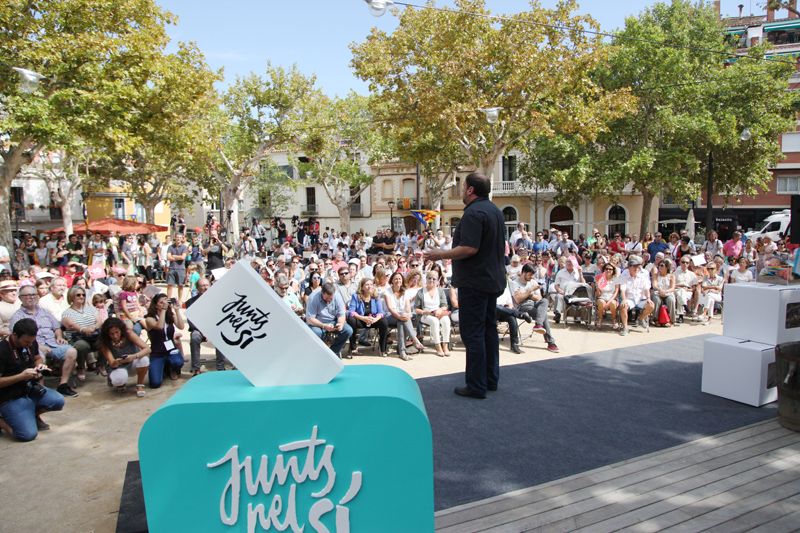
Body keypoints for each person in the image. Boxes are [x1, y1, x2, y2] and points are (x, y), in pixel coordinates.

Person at [425, 173, 505, 399]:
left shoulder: (473, 213)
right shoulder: (495, 212)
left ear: (470, 190)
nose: (461, 191)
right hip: (492, 280)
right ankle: (490, 379)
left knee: (474, 333)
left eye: (463, 187)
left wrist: (439, 254)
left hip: (476, 282)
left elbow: (469, 248)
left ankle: (476, 385)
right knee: (489, 330)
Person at [0, 319, 65, 441]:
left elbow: (37, 358)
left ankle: (32, 415)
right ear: (14, 335)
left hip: (29, 388)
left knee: (58, 401)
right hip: (9, 396)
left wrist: (39, 366)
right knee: (27, 435)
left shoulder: (31, 342)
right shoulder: (2, 350)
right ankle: (2, 422)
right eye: (26, 341)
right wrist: (20, 376)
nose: (29, 344)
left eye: (31, 341)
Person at [9, 286, 79, 397]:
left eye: (33, 294)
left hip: (53, 343)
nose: (31, 297)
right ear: (20, 298)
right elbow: (18, 339)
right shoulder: (17, 317)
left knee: (71, 351)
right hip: (33, 347)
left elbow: (56, 327)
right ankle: (41, 390)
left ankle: (63, 385)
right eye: (27, 295)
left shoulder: (45, 312)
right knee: (39, 358)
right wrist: (38, 346)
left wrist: (59, 336)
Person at [98, 317, 150, 397]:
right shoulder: (104, 342)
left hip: (133, 362)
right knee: (119, 380)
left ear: (121, 330)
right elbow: (112, 363)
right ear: (107, 334)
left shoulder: (128, 333)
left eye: (117, 332)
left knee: (144, 360)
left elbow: (147, 349)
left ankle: (140, 385)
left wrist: (134, 356)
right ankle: (118, 383)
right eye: (111, 334)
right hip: (118, 367)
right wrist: (118, 361)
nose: (115, 336)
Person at [185, 277, 228, 375]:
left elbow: (222, 317)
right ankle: (196, 368)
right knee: (195, 337)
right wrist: (203, 331)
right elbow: (191, 321)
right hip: (199, 329)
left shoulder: (219, 300)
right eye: (202, 286)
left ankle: (221, 366)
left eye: (207, 285)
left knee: (222, 335)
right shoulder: (190, 302)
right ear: (198, 288)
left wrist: (212, 330)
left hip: (216, 328)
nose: (205, 288)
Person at [60, 286, 102, 382]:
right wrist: (83, 329)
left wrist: (94, 327)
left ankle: (101, 365)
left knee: (104, 340)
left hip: (93, 335)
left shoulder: (90, 309)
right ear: (71, 297)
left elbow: (99, 321)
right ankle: (81, 368)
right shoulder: (67, 312)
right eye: (78, 295)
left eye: (83, 295)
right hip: (78, 338)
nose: (81, 296)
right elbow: (70, 325)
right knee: (81, 345)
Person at [144, 294, 185, 387]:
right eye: (161, 302)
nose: (164, 304)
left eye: (166, 301)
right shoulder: (149, 318)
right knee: (155, 383)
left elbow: (181, 326)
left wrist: (177, 310)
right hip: (157, 352)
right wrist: (163, 310)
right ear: (155, 305)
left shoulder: (170, 315)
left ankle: (172, 368)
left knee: (178, 362)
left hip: (171, 349)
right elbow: (160, 326)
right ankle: (164, 368)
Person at [383, 271, 425, 361]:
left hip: (401, 317)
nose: (398, 280)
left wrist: (408, 315)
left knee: (401, 322)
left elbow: (407, 307)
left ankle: (402, 352)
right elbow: (390, 308)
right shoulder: (387, 291)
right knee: (402, 318)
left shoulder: (404, 291)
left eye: (399, 278)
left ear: (402, 280)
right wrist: (400, 316)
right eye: (396, 279)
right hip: (389, 316)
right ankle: (414, 339)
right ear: (392, 281)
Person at [306, 283, 352, 359]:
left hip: (333, 321)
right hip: (317, 323)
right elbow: (310, 319)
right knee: (317, 333)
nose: (329, 300)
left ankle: (332, 353)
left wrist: (340, 323)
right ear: (322, 293)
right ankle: (318, 354)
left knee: (348, 330)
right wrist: (324, 326)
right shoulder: (313, 298)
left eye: (331, 298)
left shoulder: (337, 296)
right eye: (327, 298)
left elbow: (342, 313)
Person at [347, 278, 389, 357]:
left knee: (384, 321)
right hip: (360, 320)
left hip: (373, 320)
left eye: (371, 284)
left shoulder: (376, 297)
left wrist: (375, 319)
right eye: (367, 284)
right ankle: (352, 347)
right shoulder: (356, 296)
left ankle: (383, 348)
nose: (369, 286)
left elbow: (381, 312)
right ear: (362, 287)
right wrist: (363, 318)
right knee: (351, 320)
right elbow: (351, 311)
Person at [414, 271, 452, 357]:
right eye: (429, 278)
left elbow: (445, 305)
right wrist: (425, 312)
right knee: (434, 321)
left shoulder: (440, 291)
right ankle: (438, 346)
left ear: (438, 281)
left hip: (438, 312)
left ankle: (445, 345)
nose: (431, 280)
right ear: (426, 279)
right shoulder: (420, 292)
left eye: (434, 279)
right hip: (425, 314)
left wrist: (440, 310)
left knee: (446, 320)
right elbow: (416, 309)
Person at [617, 255, 655, 336]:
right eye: (634, 266)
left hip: (640, 299)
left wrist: (648, 298)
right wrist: (623, 299)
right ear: (629, 267)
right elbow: (622, 290)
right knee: (623, 306)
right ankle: (625, 328)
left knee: (651, 305)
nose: (636, 268)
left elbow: (646, 289)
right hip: (629, 299)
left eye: (638, 267)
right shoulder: (624, 275)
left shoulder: (643, 276)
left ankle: (640, 319)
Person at [652, 259, 676, 326]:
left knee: (671, 300)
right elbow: (654, 285)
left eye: (662, 265)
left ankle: (671, 320)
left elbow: (672, 288)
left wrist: (665, 291)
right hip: (658, 292)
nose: (660, 267)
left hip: (668, 292)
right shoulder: (655, 275)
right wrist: (660, 290)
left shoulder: (671, 276)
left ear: (667, 267)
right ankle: (655, 320)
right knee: (656, 300)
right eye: (659, 265)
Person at [594, 263, 619, 330]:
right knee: (601, 302)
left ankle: (614, 320)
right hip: (602, 297)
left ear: (613, 270)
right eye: (606, 269)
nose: (608, 270)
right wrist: (597, 286)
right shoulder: (600, 279)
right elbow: (598, 294)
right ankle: (600, 319)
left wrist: (609, 302)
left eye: (610, 269)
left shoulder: (616, 279)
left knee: (613, 303)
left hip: (612, 297)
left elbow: (616, 292)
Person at [166, 233, 188, 302]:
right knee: (170, 284)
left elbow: (183, 257)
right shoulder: (170, 247)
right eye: (177, 237)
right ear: (175, 238)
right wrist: (178, 257)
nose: (178, 238)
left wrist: (174, 256)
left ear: (182, 238)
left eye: (180, 237)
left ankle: (180, 300)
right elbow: (168, 257)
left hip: (181, 268)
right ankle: (168, 299)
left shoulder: (184, 247)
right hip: (172, 268)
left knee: (180, 285)